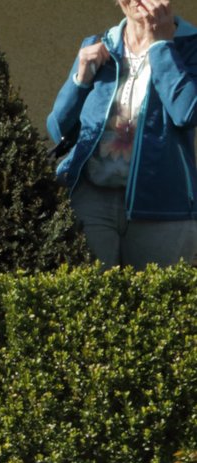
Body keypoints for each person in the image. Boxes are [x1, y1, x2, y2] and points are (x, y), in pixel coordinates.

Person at [49, 0, 197, 266]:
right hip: (92, 200)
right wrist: (80, 81)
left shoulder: (191, 46)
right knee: (90, 290)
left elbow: (187, 112)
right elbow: (58, 129)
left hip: (162, 204)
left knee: (156, 293)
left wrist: (162, 45)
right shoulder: (98, 44)